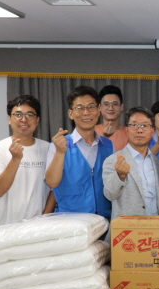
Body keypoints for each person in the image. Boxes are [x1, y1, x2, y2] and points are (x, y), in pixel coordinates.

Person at [45, 85, 114, 219]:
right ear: (71, 113)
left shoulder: (108, 145)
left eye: (91, 107)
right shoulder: (59, 145)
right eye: (80, 108)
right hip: (70, 222)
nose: (86, 112)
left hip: (103, 221)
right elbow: (52, 183)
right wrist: (60, 152)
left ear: (99, 110)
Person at [0, 95, 52, 226]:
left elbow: (55, 189)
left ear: (37, 120)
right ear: (9, 119)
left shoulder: (48, 148)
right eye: (18, 114)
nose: (24, 119)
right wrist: (15, 159)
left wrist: (44, 218)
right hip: (5, 226)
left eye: (30, 115)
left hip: (39, 226)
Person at [103, 107, 159, 220]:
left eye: (145, 126)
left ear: (152, 131)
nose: (140, 130)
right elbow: (109, 195)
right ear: (127, 130)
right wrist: (120, 176)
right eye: (134, 125)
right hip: (128, 230)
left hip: (157, 228)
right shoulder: (113, 160)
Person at [94, 85, 127, 151]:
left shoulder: (130, 132)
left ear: (121, 107)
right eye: (106, 104)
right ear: (99, 107)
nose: (111, 108)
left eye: (115, 104)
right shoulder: (91, 131)